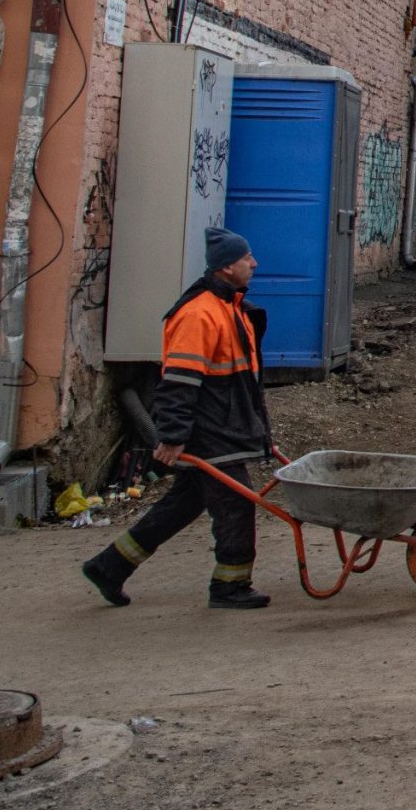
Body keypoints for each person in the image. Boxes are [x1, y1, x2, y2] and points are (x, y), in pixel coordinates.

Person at [82, 227, 274, 609]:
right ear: (226, 267)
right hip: (209, 429)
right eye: (246, 258)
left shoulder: (229, 308)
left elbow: (241, 381)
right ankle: (230, 586)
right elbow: (179, 382)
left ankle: (110, 566)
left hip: (223, 423)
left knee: (185, 502)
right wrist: (172, 435)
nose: (253, 263)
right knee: (237, 503)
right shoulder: (199, 314)